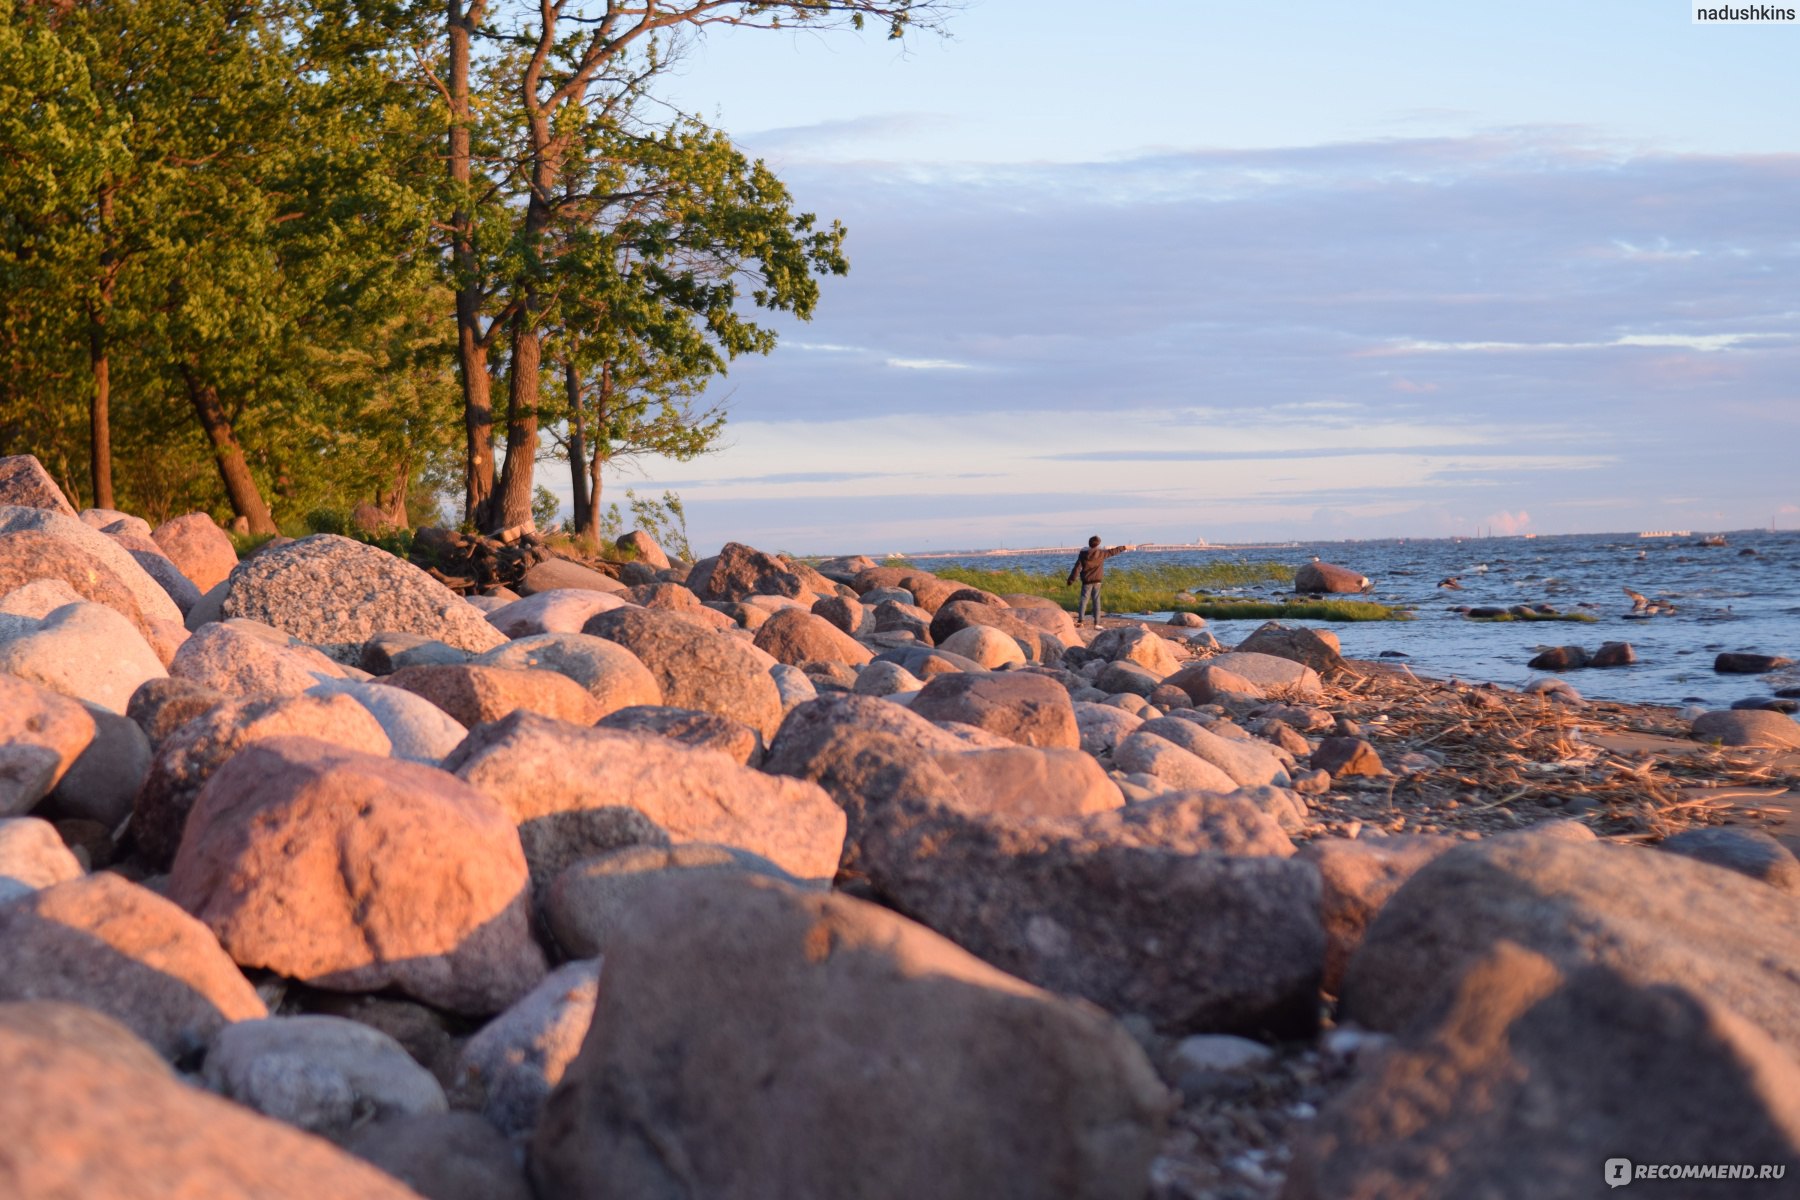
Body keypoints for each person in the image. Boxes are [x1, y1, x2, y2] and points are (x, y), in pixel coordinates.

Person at [1065, 536, 1135, 627]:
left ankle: (1081, 621)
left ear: (1089, 543)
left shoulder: (1083, 554)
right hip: (1097, 580)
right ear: (1098, 544)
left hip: (1086, 581)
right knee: (1096, 601)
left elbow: (1077, 568)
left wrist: (1071, 580)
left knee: (1084, 600)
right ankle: (1097, 623)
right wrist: (1125, 547)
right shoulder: (1101, 553)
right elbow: (1113, 551)